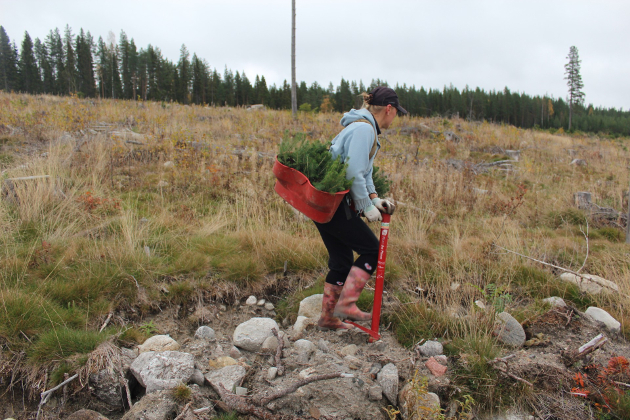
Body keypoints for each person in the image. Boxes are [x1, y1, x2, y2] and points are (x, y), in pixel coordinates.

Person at [314, 86, 407, 330]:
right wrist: (366, 207)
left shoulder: (365, 128)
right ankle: (346, 305)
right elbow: (353, 171)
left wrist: (374, 198)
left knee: (342, 261)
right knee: (371, 250)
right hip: (334, 204)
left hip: (324, 203)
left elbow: (363, 172)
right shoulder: (364, 129)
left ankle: (327, 318)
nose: (396, 116)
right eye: (396, 111)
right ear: (389, 109)